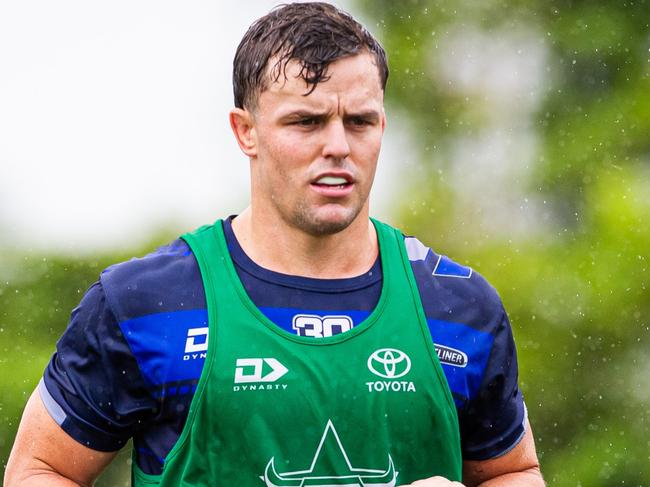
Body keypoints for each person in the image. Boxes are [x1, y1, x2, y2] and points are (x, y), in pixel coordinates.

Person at [5, 2, 544, 486]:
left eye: (360, 121)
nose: (338, 146)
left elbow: (512, 472)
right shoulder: (145, 304)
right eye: (306, 122)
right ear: (246, 131)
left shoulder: (459, 308)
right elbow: (41, 470)